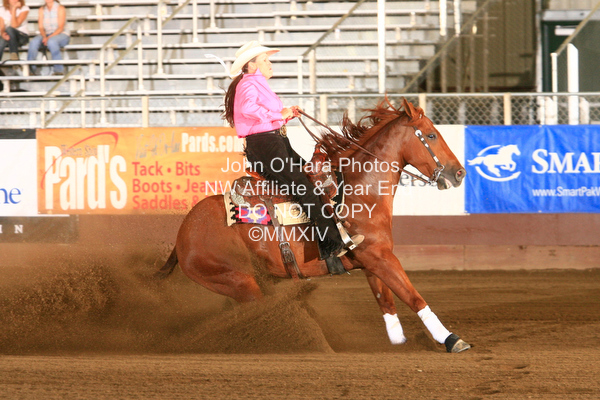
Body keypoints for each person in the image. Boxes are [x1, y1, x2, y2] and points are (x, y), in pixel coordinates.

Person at [223, 41, 363, 268]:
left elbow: (264, 116)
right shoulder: (248, 84)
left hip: (274, 142)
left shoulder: (255, 84)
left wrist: (285, 115)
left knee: (314, 178)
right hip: (266, 145)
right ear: (252, 65)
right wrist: (280, 114)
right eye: (265, 60)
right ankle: (331, 243)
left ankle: (330, 231)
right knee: (304, 186)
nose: (270, 63)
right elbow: (249, 109)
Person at [27, 0, 69, 75]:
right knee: (34, 42)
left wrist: (49, 38)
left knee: (52, 41)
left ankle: (58, 70)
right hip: (46, 34)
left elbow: (61, 27)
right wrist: (44, 36)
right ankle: (31, 69)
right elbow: (41, 27)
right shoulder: (42, 9)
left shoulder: (60, 8)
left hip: (61, 34)